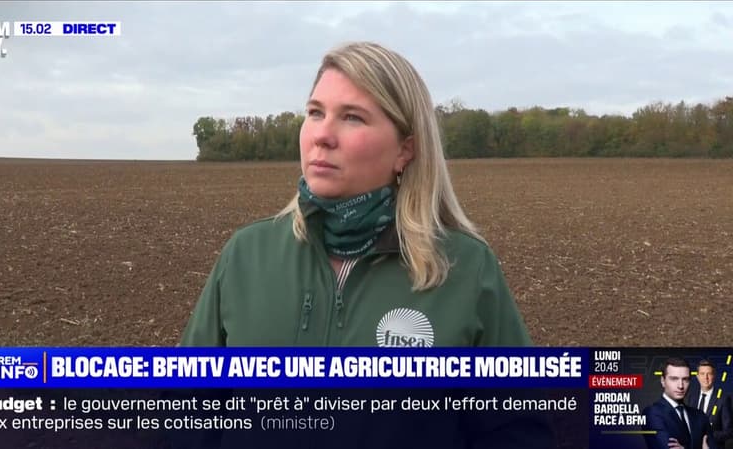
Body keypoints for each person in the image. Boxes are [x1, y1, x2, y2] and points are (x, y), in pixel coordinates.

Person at [177, 41, 550, 449]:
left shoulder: (464, 268)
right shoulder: (248, 255)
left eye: (352, 118)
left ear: (405, 150)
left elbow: (518, 431)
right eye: (315, 112)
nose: (322, 135)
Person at [643, 357, 717, 449]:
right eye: (674, 379)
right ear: (663, 380)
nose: (681, 386)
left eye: (685, 379)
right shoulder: (652, 413)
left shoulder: (700, 416)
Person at [686, 360, 733, 449]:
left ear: (714, 376)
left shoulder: (723, 399)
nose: (706, 377)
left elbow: (729, 431)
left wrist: (708, 435)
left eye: (709, 374)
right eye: (702, 374)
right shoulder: (692, 398)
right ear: (697, 376)